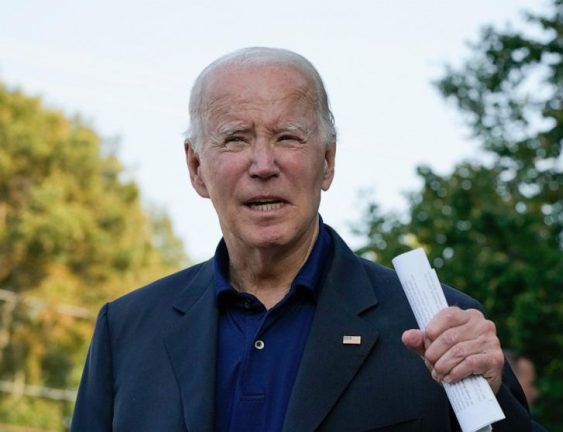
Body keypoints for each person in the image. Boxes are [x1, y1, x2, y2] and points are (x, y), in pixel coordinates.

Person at [71, 47, 539, 431]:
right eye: (234, 139)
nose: (263, 165)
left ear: (328, 161)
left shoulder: (436, 328)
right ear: (196, 168)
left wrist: (491, 393)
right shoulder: (127, 329)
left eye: (288, 138)